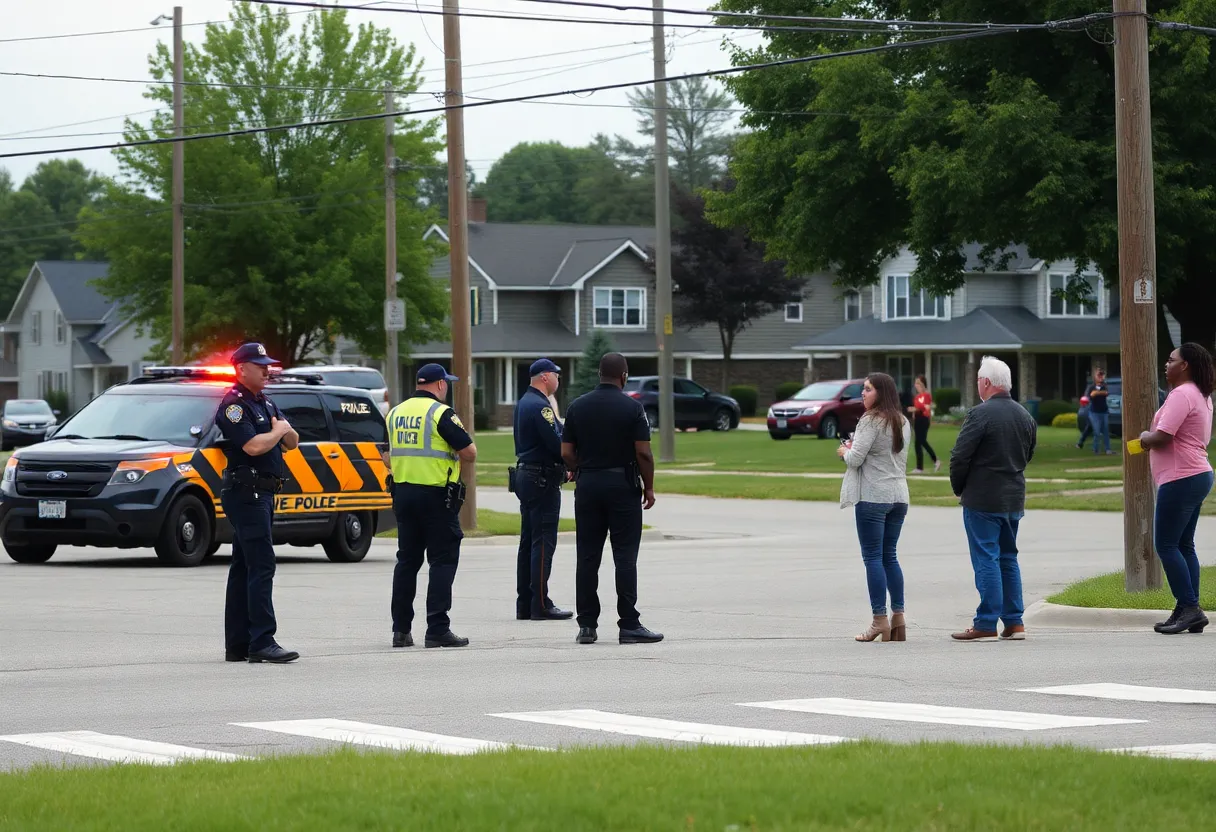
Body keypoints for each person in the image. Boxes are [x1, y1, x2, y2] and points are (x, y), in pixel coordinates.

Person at [560, 353, 662, 646]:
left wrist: (581, 468)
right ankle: (629, 624)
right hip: (622, 486)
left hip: (588, 485)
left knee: (588, 557)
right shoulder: (632, 408)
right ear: (624, 376)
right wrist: (649, 487)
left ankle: (587, 626)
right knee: (625, 558)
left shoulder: (577, 406)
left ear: (599, 374)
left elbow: (566, 451)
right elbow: (643, 452)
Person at [218, 342, 301, 664]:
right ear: (241, 369)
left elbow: (292, 441)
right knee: (262, 565)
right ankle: (262, 640)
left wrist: (280, 430)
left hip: (263, 493)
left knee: (244, 567)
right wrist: (277, 430)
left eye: (268, 364)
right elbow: (253, 447)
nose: (267, 369)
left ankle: (238, 644)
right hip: (247, 492)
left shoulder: (265, 403)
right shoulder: (234, 406)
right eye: (259, 364)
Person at [385, 363, 477, 649]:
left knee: (407, 562)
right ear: (439, 384)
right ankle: (437, 628)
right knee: (442, 560)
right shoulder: (440, 413)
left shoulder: (395, 413)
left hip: (403, 494)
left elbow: (386, 456)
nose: (446, 387)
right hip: (436, 497)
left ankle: (401, 630)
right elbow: (469, 452)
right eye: (446, 383)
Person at [948, 355, 1038, 642]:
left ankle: (986, 621)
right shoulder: (1025, 415)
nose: (977, 385)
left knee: (986, 557)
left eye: (978, 380)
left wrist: (959, 486)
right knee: (1008, 557)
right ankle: (1014, 621)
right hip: (1013, 497)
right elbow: (1028, 455)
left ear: (986, 383)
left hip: (983, 497)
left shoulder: (980, 414)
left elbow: (960, 456)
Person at [1137, 343, 1215, 635]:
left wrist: (1145, 436)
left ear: (1185, 366)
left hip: (1181, 477)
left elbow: (1162, 437)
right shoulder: (1201, 395)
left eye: (1171, 361)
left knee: (1167, 545)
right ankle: (1187, 609)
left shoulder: (1182, 394)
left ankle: (1190, 607)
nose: (1166, 365)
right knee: (1183, 545)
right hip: (1195, 474)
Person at [838, 372, 912, 643]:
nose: (863, 394)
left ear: (881, 392)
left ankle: (879, 620)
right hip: (899, 495)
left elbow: (856, 460)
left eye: (868, 389)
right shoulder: (903, 421)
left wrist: (845, 451)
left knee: (873, 558)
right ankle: (898, 618)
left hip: (874, 497)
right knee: (889, 556)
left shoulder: (870, 420)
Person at [513, 358, 574, 622]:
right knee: (543, 542)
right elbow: (558, 442)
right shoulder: (541, 406)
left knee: (528, 541)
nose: (559, 382)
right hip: (542, 478)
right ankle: (540, 603)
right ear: (546, 377)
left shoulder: (524, 402)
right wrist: (573, 462)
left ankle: (525, 603)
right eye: (558, 377)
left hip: (527, 475)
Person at [906, 375, 940, 474]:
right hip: (917, 419)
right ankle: (920, 468)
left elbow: (927, 407)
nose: (917, 386)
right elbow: (918, 407)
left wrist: (915, 409)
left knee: (922, 441)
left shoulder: (926, 395)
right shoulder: (917, 397)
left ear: (923, 384)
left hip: (924, 419)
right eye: (916, 383)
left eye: (918, 383)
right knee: (917, 443)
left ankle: (935, 460)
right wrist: (914, 411)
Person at [1085, 367, 1113, 455]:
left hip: (1104, 411)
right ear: (1095, 376)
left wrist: (1096, 393)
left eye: (1102, 375)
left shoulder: (1104, 385)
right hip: (1094, 412)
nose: (1101, 377)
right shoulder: (1091, 387)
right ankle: (1095, 449)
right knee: (1097, 432)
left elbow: (1106, 393)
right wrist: (1094, 394)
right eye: (1099, 375)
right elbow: (1088, 397)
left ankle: (1108, 449)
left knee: (1105, 431)